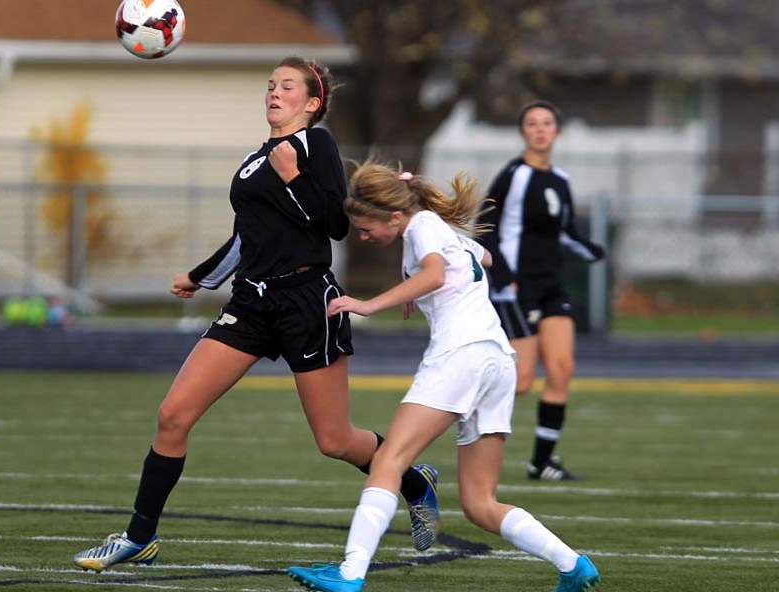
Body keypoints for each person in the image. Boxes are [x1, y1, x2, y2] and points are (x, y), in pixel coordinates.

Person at [72, 57, 439, 572]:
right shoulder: (253, 159)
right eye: (269, 84)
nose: (273, 92)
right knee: (173, 415)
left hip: (308, 302)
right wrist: (204, 277)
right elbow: (249, 233)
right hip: (249, 303)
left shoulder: (318, 145)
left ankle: (414, 480)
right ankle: (139, 536)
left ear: (311, 103)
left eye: (286, 86)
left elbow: (333, 224)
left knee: (334, 440)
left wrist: (293, 178)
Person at [286, 162, 600, 592]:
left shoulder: (422, 227)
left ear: (394, 216)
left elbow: (435, 273)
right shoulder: (441, 231)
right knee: (479, 503)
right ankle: (572, 564)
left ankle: (349, 573)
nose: (362, 236)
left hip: (461, 355)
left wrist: (369, 304)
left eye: (364, 228)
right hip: (496, 360)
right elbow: (484, 260)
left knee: (388, 460)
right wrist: (423, 289)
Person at [478, 100, 605, 481]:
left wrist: (591, 250)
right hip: (519, 288)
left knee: (563, 369)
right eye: (532, 123)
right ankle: (463, 414)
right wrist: (503, 278)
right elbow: (485, 227)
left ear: (557, 131)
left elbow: (564, 232)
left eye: (547, 123)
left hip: (552, 285)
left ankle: (542, 461)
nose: (540, 129)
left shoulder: (560, 180)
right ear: (523, 132)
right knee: (520, 381)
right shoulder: (513, 176)